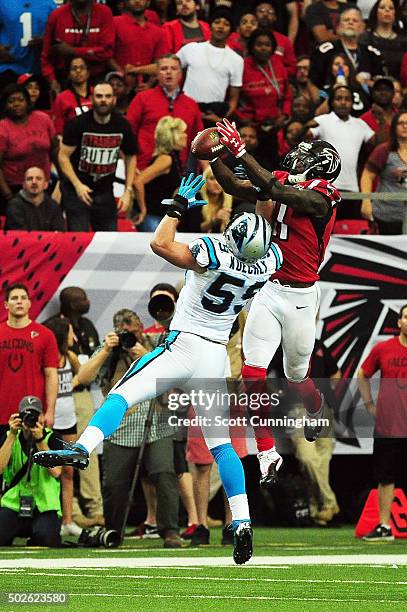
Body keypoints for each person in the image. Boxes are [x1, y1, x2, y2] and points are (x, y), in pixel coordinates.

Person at [33, 173, 284, 565]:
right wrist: (264, 187)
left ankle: (83, 448)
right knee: (220, 445)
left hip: (183, 344)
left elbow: (160, 242)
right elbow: (266, 224)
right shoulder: (269, 261)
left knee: (122, 394)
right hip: (216, 355)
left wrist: (177, 207)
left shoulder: (214, 249)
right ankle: (244, 521)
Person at [212, 118, 341, 486]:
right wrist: (212, 155)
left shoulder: (325, 196)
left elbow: (274, 188)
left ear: (319, 166)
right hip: (269, 289)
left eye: (303, 157)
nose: (295, 159)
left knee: (296, 375)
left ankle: (317, 407)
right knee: (252, 373)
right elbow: (234, 185)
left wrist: (240, 151)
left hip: (301, 297)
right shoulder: (283, 182)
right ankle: (266, 451)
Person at [99, 309, 184, 548]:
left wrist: (144, 355)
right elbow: (84, 378)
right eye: (123, 330)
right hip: (121, 427)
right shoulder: (108, 350)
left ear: (141, 326)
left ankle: (170, 532)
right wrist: (106, 350)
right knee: (114, 483)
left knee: (164, 473)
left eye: (133, 328)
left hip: (157, 423)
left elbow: (174, 375)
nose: (129, 334)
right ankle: (113, 531)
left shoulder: (156, 344)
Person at [358, 303, 407, 541]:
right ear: (399, 322)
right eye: (406, 317)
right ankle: (385, 527)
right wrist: (369, 405)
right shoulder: (383, 349)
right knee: (385, 476)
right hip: (389, 424)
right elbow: (362, 374)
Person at [59, 82, 137, 231]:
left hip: (105, 191)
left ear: (114, 99)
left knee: (109, 243)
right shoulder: (77, 124)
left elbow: (131, 156)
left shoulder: (122, 125)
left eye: (107, 96)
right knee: (80, 242)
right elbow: (63, 156)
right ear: (92, 99)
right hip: (77, 192)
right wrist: (77, 185)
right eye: (99, 96)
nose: (103, 100)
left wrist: (128, 190)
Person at [0, 398, 62, 547]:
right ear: (19, 417)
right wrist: (12, 435)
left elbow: (56, 472)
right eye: (26, 415)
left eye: (34, 415)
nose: (30, 420)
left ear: (41, 417)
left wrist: (40, 440)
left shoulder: (52, 438)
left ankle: (37, 535)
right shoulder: (10, 436)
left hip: (44, 506)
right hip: (13, 505)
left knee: (47, 540)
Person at [126, 54, 203, 172]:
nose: (168, 72)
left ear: (180, 74)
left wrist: (203, 170)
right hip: (145, 168)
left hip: (180, 172)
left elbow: (199, 141)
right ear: (157, 74)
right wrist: (132, 167)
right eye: (164, 69)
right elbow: (128, 134)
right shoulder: (142, 98)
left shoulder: (191, 104)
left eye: (173, 69)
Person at [308, 85, 376, 219]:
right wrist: (310, 121)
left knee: (350, 235)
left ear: (352, 102)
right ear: (332, 102)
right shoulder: (322, 120)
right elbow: (303, 137)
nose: (343, 102)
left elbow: (378, 143)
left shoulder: (360, 124)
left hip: (352, 189)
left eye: (347, 99)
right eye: (339, 98)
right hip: (325, 189)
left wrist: (383, 119)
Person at [0, 283, 59, 432]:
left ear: (29, 303)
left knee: (34, 456)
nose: (19, 301)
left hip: (33, 414)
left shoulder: (46, 335)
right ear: (6, 305)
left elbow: (51, 375)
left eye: (23, 298)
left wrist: (50, 411)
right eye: (14, 298)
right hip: (1, 414)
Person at [176, 9, 244, 126]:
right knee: (183, 143)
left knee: (210, 144)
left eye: (226, 24)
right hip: (186, 109)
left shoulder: (237, 60)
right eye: (217, 22)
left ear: (231, 31)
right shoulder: (191, 48)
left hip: (214, 113)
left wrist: (220, 119)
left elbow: (234, 99)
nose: (221, 27)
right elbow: (169, 66)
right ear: (210, 26)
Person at [0, 83, 59, 216]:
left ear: (28, 101)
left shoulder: (43, 119)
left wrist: (62, 180)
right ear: (5, 105)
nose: (16, 104)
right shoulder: (2, 128)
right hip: (14, 188)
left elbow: (55, 150)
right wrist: (8, 196)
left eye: (20, 100)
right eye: (11, 101)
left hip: (44, 184)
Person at [41, 0, 115, 96]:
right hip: (64, 80)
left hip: (96, 79)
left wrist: (72, 51)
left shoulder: (104, 12)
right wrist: (52, 80)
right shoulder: (57, 15)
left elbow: (106, 52)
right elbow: (46, 55)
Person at [309, 7, 386, 91]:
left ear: (362, 27)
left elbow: (380, 86)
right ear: (338, 27)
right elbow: (312, 82)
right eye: (346, 20)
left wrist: (366, 83)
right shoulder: (325, 51)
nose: (350, 22)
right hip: (331, 100)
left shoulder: (372, 53)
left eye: (355, 20)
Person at [133, 116, 187, 230]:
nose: (186, 135)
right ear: (172, 136)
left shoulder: (174, 158)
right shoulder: (166, 159)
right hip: (152, 215)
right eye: (182, 132)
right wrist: (143, 210)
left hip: (161, 215)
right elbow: (138, 182)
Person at [360, 111, 407, 235]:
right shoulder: (384, 150)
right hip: (385, 215)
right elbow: (367, 176)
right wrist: (366, 201)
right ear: (394, 127)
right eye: (401, 123)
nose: (405, 126)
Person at [235, 28, 292, 130]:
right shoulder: (242, 66)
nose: (263, 48)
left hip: (275, 124)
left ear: (273, 47)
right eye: (259, 45)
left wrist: (284, 115)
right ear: (252, 47)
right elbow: (233, 98)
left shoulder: (278, 65)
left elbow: (287, 96)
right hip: (249, 127)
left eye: (267, 45)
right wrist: (243, 118)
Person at [109, 0, 167, 89]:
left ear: (148, 2)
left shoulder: (158, 32)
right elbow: (107, 55)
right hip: (117, 85)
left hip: (146, 86)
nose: (137, 1)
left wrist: (149, 84)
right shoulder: (114, 23)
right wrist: (122, 75)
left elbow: (160, 62)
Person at [0, 0, 58, 89]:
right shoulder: (3, 3)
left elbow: (57, 35)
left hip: (40, 70)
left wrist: (45, 40)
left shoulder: (49, 4)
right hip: (9, 69)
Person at [5, 166, 64, 232]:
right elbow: (19, 235)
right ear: (24, 185)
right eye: (29, 179)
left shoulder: (53, 206)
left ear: (45, 184)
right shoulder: (14, 205)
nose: (34, 182)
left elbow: (59, 232)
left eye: (38, 179)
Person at [359, 0, 407, 80]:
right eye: (382, 7)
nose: (387, 10)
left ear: (395, 13)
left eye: (391, 8)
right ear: (375, 12)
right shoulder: (365, 38)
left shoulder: (404, 41)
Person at [52, 56, 92, 137]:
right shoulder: (61, 98)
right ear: (69, 74)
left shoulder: (98, 92)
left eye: (82, 67)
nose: (78, 71)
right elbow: (58, 130)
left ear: (88, 73)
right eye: (74, 68)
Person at [199, 166, 232, 232]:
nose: (217, 183)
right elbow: (192, 229)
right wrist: (214, 220)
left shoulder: (231, 202)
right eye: (212, 178)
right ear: (205, 181)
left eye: (220, 179)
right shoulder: (197, 200)